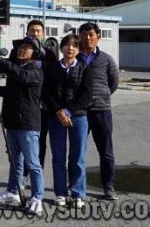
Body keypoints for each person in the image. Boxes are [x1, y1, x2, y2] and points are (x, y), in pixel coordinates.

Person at [0, 36, 45, 217]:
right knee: (15, 161)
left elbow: (24, 78)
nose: (22, 49)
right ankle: (13, 191)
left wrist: (2, 62)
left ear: (34, 52)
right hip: (11, 122)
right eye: (20, 46)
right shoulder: (17, 69)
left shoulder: (35, 70)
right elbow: (10, 91)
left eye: (27, 47)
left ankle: (37, 197)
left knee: (33, 163)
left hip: (27, 124)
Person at [43, 34, 92, 209]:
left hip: (78, 117)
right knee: (58, 157)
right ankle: (61, 193)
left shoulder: (85, 68)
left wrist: (68, 111)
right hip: (56, 118)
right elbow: (47, 93)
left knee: (78, 157)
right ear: (61, 48)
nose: (70, 48)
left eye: (74, 46)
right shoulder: (51, 68)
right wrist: (59, 112)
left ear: (78, 50)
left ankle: (78, 193)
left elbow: (87, 94)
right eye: (67, 45)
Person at [77, 22, 119, 201]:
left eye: (91, 35)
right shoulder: (74, 57)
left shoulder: (107, 59)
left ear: (97, 37)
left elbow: (113, 83)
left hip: (102, 110)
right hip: (80, 112)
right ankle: (76, 186)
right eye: (84, 35)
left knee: (106, 151)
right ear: (79, 37)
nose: (87, 38)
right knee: (77, 151)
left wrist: (102, 96)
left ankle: (108, 186)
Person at [10, 19, 57, 170]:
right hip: (20, 102)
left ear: (43, 34)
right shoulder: (16, 51)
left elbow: (53, 76)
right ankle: (20, 178)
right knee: (18, 144)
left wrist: (40, 65)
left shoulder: (49, 54)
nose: (35, 33)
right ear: (27, 32)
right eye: (32, 31)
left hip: (42, 104)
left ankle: (37, 172)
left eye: (38, 31)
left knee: (39, 141)